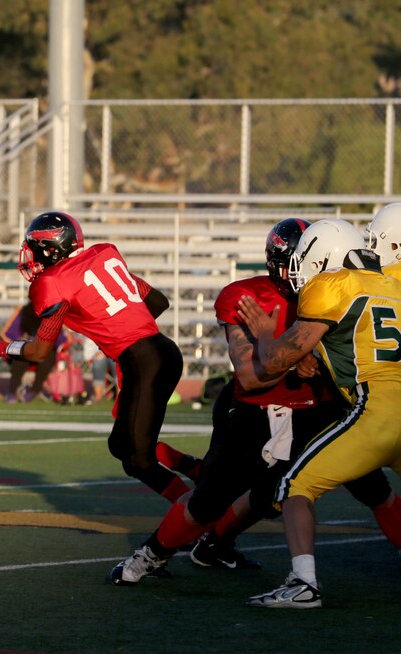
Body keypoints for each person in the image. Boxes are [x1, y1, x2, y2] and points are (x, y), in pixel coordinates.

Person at [109, 218, 401, 585]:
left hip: (321, 408)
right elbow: (250, 376)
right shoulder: (247, 295)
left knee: (369, 490)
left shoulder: (338, 289)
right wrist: (294, 358)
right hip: (255, 410)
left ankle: (216, 546)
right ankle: (149, 556)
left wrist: (307, 359)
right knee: (207, 503)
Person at [0, 211, 189, 503]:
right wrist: (113, 328)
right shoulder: (104, 255)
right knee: (121, 445)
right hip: (161, 351)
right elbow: (159, 302)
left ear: (49, 249)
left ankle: (200, 517)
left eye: (32, 246)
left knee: (138, 460)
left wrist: (0, 348)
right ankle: (197, 473)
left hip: (142, 362)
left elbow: (39, 351)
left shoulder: (52, 282)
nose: (28, 253)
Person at [237, 218, 401, 608]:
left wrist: (264, 332)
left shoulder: (331, 284)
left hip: (377, 411)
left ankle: (303, 583)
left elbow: (276, 361)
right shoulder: (393, 283)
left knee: (295, 486)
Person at [2, 304, 55, 403]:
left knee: (49, 356)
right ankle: (12, 392)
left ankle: (34, 390)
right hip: (25, 348)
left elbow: (60, 338)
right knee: (20, 354)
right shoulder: (24, 311)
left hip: (42, 350)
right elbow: (9, 334)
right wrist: (21, 340)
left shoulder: (52, 313)